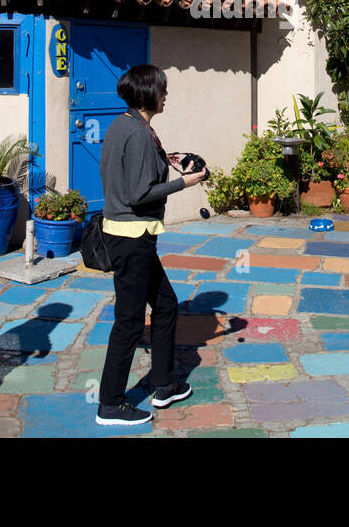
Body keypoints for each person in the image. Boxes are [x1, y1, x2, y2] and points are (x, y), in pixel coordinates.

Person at [95, 64, 208, 426]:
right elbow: (139, 192)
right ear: (148, 93)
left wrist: (167, 159)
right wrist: (186, 182)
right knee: (128, 322)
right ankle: (110, 404)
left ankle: (163, 384)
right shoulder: (139, 134)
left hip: (127, 234)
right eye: (162, 89)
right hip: (133, 237)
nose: (166, 95)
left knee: (166, 304)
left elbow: (132, 171)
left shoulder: (124, 125)